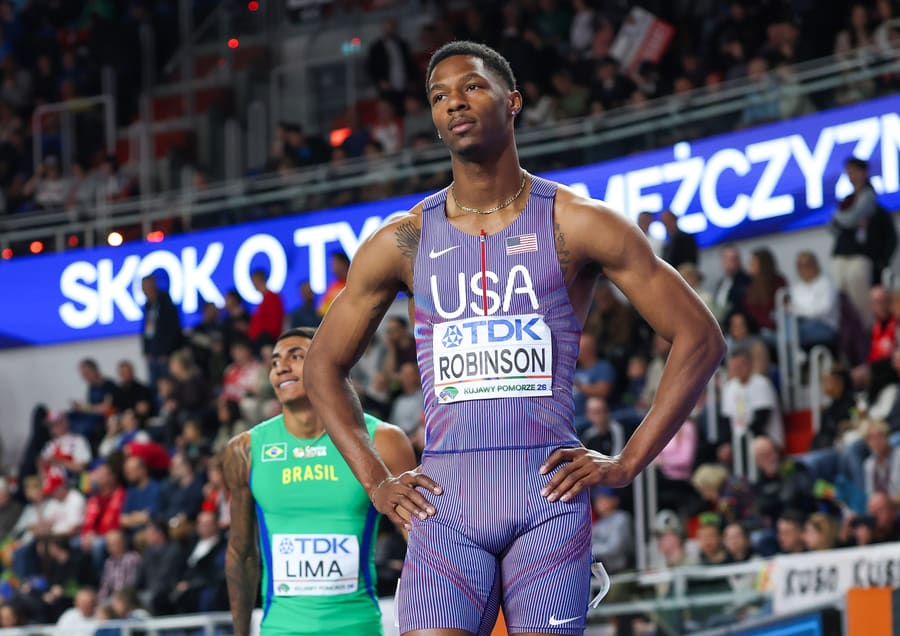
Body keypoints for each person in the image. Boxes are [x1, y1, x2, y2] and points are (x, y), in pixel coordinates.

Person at [303, 41, 725, 636]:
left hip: (545, 497)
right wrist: (376, 483)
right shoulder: (402, 240)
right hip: (445, 505)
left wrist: (629, 462)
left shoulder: (577, 222)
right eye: (438, 96)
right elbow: (320, 368)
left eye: (472, 87)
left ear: (514, 101)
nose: (454, 103)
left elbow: (700, 339)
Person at [223, 327, 418, 636]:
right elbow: (241, 552)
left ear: (327, 362)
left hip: (358, 628)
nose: (281, 367)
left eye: (295, 356)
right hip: (280, 629)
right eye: (274, 362)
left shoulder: (383, 440)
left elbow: (423, 544)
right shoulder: (246, 450)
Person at [141, 275, 183, 392]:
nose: (144, 290)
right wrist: (147, 350)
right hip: (153, 353)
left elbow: (173, 330)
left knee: (170, 385)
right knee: (155, 387)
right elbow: (147, 330)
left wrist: (166, 351)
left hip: (165, 355)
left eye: (146, 286)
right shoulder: (147, 306)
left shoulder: (166, 303)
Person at [247, 269, 286, 347]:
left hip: (267, 341)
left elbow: (274, 322)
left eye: (253, 281)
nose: (253, 284)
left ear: (258, 279)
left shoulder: (272, 298)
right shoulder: (265, 299)